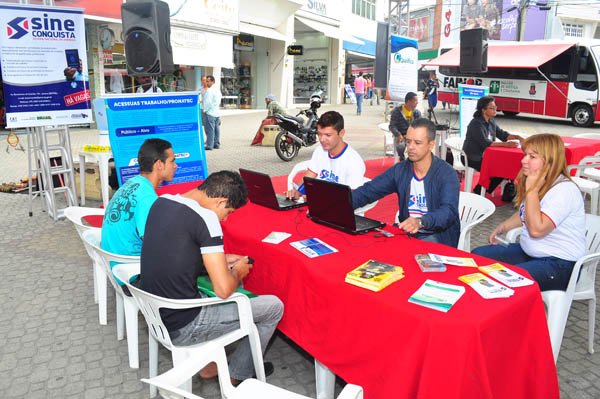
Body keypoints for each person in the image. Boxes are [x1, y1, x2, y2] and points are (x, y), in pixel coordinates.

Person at [140, 170, 284, 384]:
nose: (226, 219)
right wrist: (238, 271)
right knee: (273, 307)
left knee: (230, 281)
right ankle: (238, 374)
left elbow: (177, 253)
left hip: (154, 311)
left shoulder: (162, 201)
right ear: (221, 201)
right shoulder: (206, 218)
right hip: (184, 323)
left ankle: (210, 361)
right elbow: (223, 290)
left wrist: (222, 260)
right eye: (228, 212)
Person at [472, 134, 586, 291]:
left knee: (506, 280)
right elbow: (527, 212)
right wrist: (504, 226)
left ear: (550, 161)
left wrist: (532, 191)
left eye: (532, 156)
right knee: (477, 256)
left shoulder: (564, 190)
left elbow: (537, 230)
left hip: (560, 264)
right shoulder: (541, 181)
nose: (523, 160)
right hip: (530, 252)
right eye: (525, 155)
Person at [352, 118, 460, 246]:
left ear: (431, 144)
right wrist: (340, 203)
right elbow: (369, 191)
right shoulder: (401, 170)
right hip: (407, 233)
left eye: (418, 143)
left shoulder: (446, 173)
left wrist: (421, 222)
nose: (411, 147)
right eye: (408, 142)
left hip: (438, 236)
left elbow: (448, 212)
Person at [101, 138, 177, 270]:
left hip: (113, 263)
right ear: (159, 164)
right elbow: (155, 245)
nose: (176, 165)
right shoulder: (147, 199)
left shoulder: (132, 183)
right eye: (172, 161)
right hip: (130, 273)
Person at [285, 110, 365, 199]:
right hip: (319, 205)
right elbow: (310, 176)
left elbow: (351, 198)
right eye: (319, 134)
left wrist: (316, 198)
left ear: (341, 133)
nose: (322, 139)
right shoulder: (320, 151)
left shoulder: (354, 161)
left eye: (328, 135)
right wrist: (297, 192)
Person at [463, 96, 524, 194]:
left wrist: (518, 137)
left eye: (495, 107)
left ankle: (482, 189)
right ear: (483, 110)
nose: (495, 110)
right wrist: (506, 145)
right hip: (473, 157)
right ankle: (479, 190)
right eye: (491, 108)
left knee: (507, 165)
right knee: (500, 168)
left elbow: (503, 134)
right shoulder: (476, 124)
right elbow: (485, 143)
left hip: (487, 155)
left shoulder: (491, 121)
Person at [389, 92, 422, 161]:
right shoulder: (397, 111)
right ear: (409, 101)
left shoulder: (417, 113)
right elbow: (392, 126)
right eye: (415, 101)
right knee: (400, 146)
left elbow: (421, 126)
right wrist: (398, 134)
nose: (417, 103)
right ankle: (402, 160)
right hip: (401, 136)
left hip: (413, 137)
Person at [203, 75, 222, 150]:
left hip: (210, 112)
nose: (206, 83)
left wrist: (205, 110)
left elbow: (207, 102)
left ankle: (209, 145)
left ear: (213, 82)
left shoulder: (209, 91)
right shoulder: (217, 90)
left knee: (210, 130)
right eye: (206, 81)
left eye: (208, 81)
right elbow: (218, 101)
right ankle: (216, 144)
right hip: (216, 112)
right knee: (216, 129)